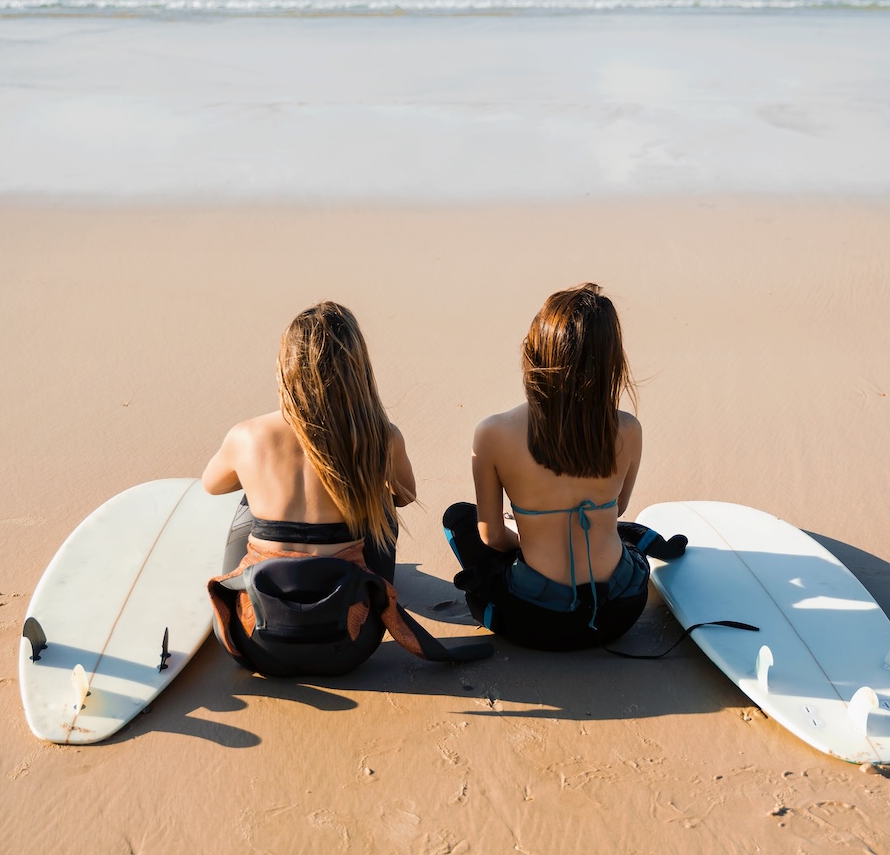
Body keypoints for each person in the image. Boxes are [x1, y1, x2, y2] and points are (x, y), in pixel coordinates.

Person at [204, 300, 491, 675]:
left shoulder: (247, 435)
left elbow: (211, 485)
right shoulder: (381, 438)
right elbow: (404, 496)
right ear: (358, 370)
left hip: (256, 644)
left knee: (247, 497)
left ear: (285, 368)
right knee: (382, 503)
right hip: (349, 644)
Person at [443, 283, 686, 652]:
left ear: (533, 352)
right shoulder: (627, 429)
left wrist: (528, 533)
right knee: (616, 529)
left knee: (458, 518)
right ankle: (648, 542)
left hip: (536, 622)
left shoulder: (492, 433)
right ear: (612, 362)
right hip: (621, 612)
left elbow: (491, 536)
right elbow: (616, 509)